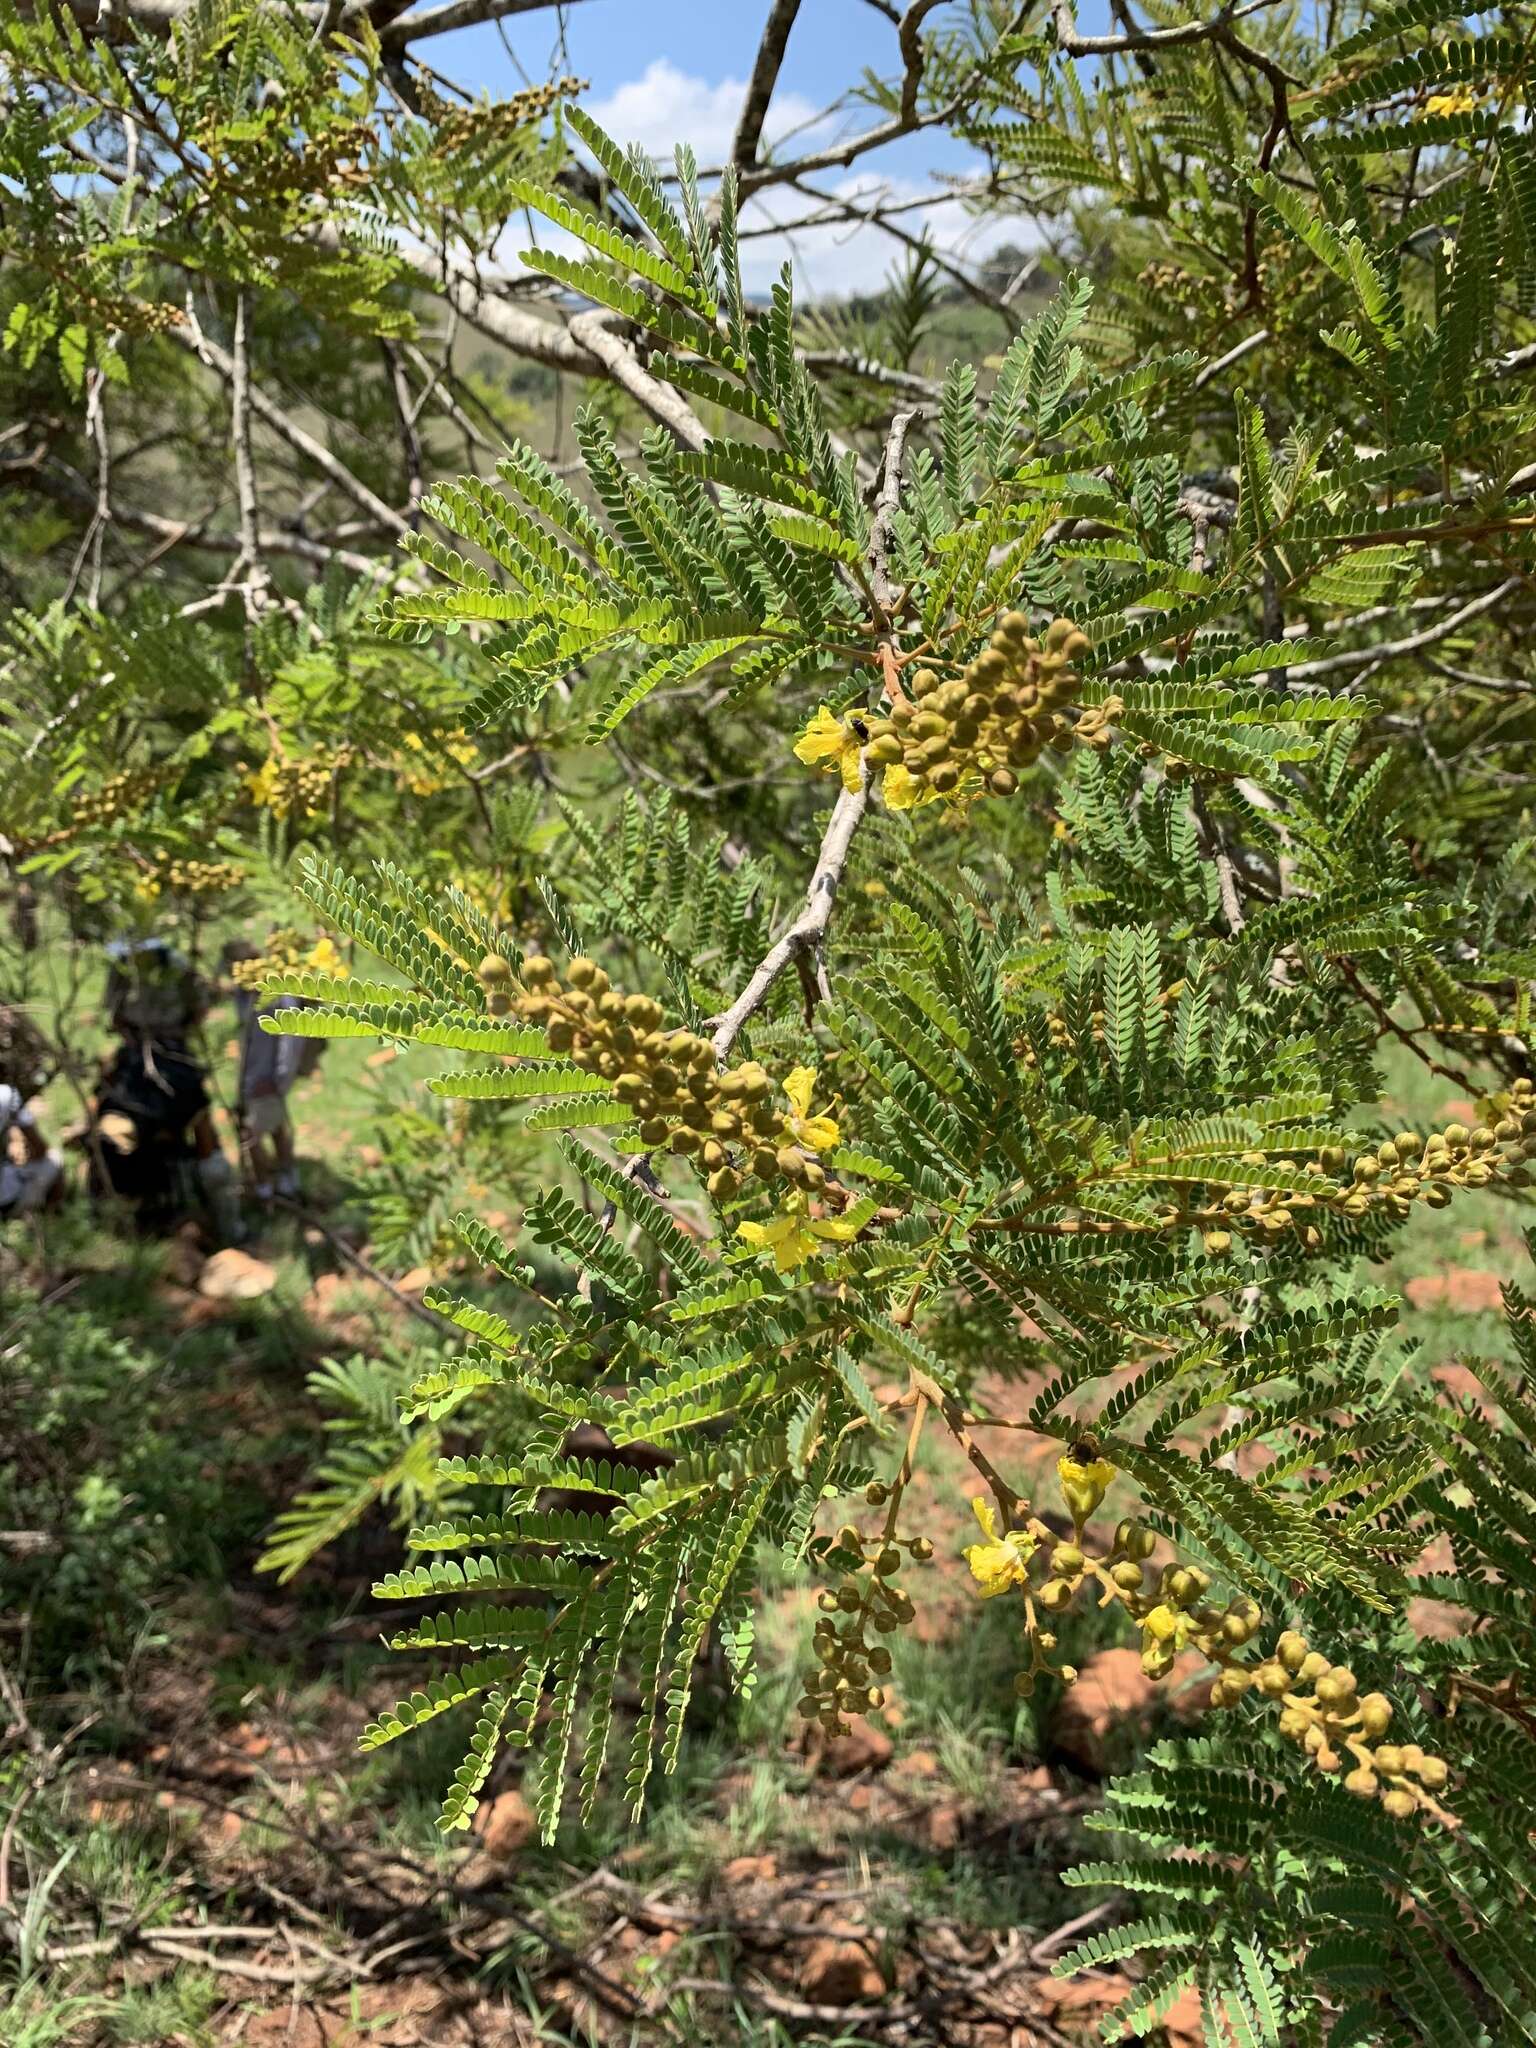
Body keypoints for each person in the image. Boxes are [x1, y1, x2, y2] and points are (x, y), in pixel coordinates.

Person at [91, 938, 244, 1238]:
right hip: (144, 1062)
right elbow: (119, 1015)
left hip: (167, 1061)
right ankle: (121, 1219)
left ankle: (227, 1224)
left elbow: (117, 1015)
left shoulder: (174, 965)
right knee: (113, 1133)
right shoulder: (125, 967)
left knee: (204, 1138)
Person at [226, 940, 312, 1202]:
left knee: (250, 1136)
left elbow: (291, 1040)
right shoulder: (246, 995)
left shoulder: (277, 995)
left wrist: (280, 1079)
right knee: (275, 1128)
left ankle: (266, 1189)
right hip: (252, 1078)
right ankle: (286, 1182)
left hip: (267, 1080)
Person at [0, 1081, 63, 1219]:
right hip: (7, 1203)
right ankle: (52, 1217)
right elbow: (40, 1148)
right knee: (54, 1158)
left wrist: (15, 1140)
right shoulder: (6, 1096)